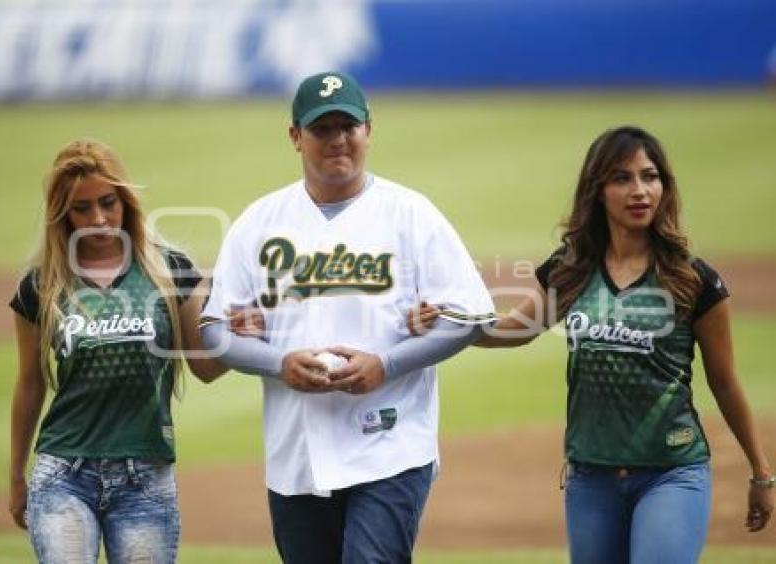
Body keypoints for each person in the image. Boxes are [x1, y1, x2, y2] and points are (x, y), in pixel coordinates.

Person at [409, 126, 774, 563]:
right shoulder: (572, 270)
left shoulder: (693, 280)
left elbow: (725, 382)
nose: (639, 191)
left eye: (649, 176)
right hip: (591, 477)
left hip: (671, 471)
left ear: (664, 187)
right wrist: (443, 322)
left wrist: (761, 473)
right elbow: (511, 331)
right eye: (622, 178)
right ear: (597, 191)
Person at [200, 71, 496, 563]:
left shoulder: (411, 214)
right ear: (295, 136)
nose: (338, 139)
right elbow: (213, 331)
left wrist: (388, 363)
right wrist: (277, 362)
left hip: (392, 444)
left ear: (368, 130)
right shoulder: (259, 222)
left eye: (348, 126)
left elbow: (468, 318)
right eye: (322, 129)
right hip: (296, 452)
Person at [8, 139, 259, 563]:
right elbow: (30, 384)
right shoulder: (40, 286)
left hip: (145, 477)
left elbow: (206, 368)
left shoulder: (168, 269)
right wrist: (16, 476)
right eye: (81, 208)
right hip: (63, 471)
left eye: (108, 202)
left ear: (125, 199)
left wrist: (240, 335)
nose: (99, 218)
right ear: (62, 214)